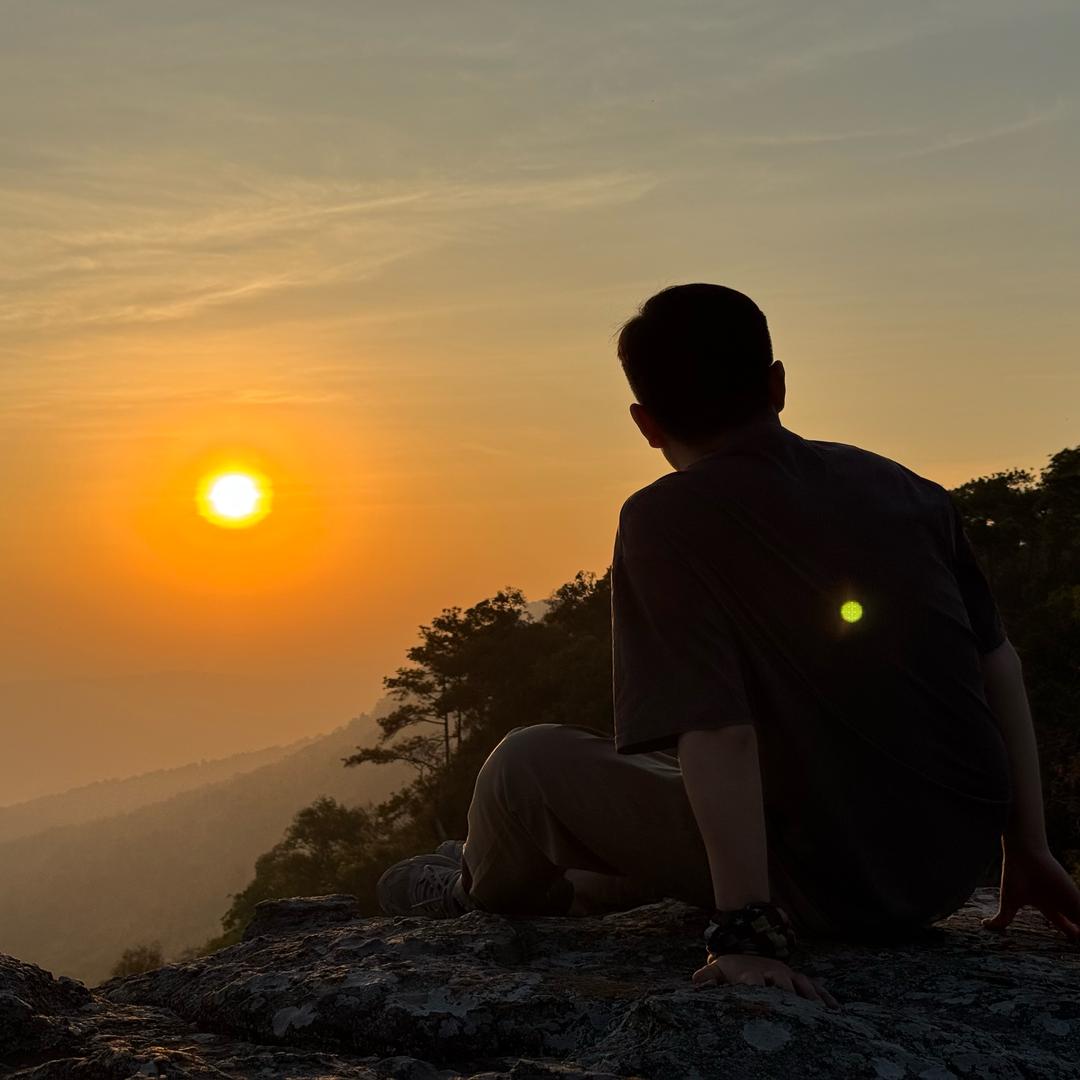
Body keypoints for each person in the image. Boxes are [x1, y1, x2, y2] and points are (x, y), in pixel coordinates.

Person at [376, 283, 1080, 1007]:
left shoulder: (668, 518)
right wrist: (1028, 847)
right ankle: (586, 886)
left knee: (523, 763)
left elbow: (717, 726)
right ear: (777, 383)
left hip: (830, 881)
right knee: (653, 769)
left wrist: (746, 931)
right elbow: (998, 662)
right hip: (943, 870)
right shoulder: (905, 488)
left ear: (646, 424)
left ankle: (473, 888)